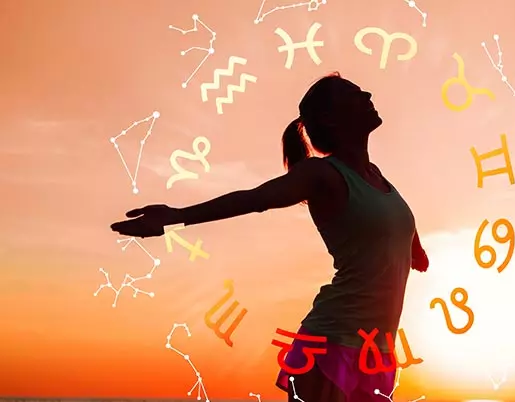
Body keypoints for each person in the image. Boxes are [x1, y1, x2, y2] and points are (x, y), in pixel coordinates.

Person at [110, 72, 429, 402]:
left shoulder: (376, 177)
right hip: (333, 345)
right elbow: (254, 198)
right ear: (331, 120)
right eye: (353, 93)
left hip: (376, 354)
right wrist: (177, 216)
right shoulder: (322, 174)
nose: (367, 93)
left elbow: (394, 219)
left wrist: (415, 249)